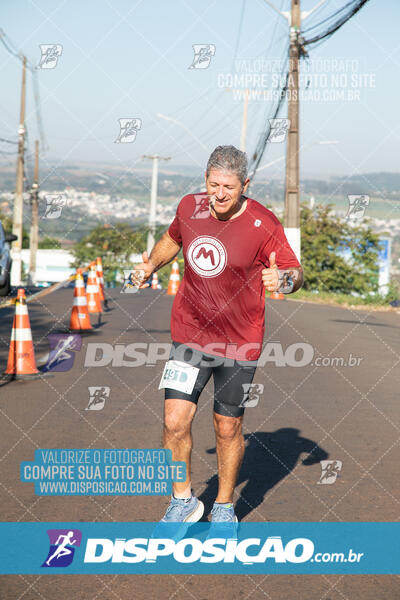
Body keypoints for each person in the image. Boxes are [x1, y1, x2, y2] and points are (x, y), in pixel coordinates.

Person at [135, 145, 303, 530]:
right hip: (191, 335)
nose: (220, 194)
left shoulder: (264, 224)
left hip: (239, 342)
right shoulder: (189, 208)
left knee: (227, 427)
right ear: (204, 181)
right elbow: (173, 240)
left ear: (246, 184)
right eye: (213, 185)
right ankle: (183, 501)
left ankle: (224, 506)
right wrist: (150, 264)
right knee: (174, 421)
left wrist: (286, 281)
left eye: (229, 187)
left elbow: (295, 271)